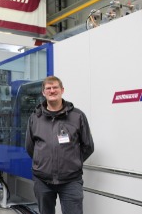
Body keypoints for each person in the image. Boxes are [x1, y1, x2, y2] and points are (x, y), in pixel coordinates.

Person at [25, 76, 94, 214]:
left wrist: (72, 163)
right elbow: (30, 147)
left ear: (62, 90)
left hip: (71, 181)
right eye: (48, 88)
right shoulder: (35, 118)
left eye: (55, 87)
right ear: (43, 93)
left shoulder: (77, 116)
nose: (52, 91)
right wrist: (44, 163)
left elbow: (88, 146)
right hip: (42, 181)